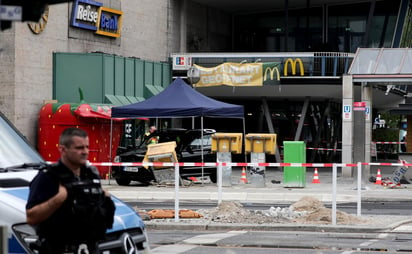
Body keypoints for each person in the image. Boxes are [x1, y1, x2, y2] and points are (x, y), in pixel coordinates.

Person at [26, 127, 115, 254]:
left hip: (91, 248)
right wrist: (58, 200)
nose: (85, 152)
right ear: (63, 149)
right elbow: (31, 217)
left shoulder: (91, 174)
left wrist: (105, 199)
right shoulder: (49, 176)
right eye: (79, 148)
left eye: (87, 147)